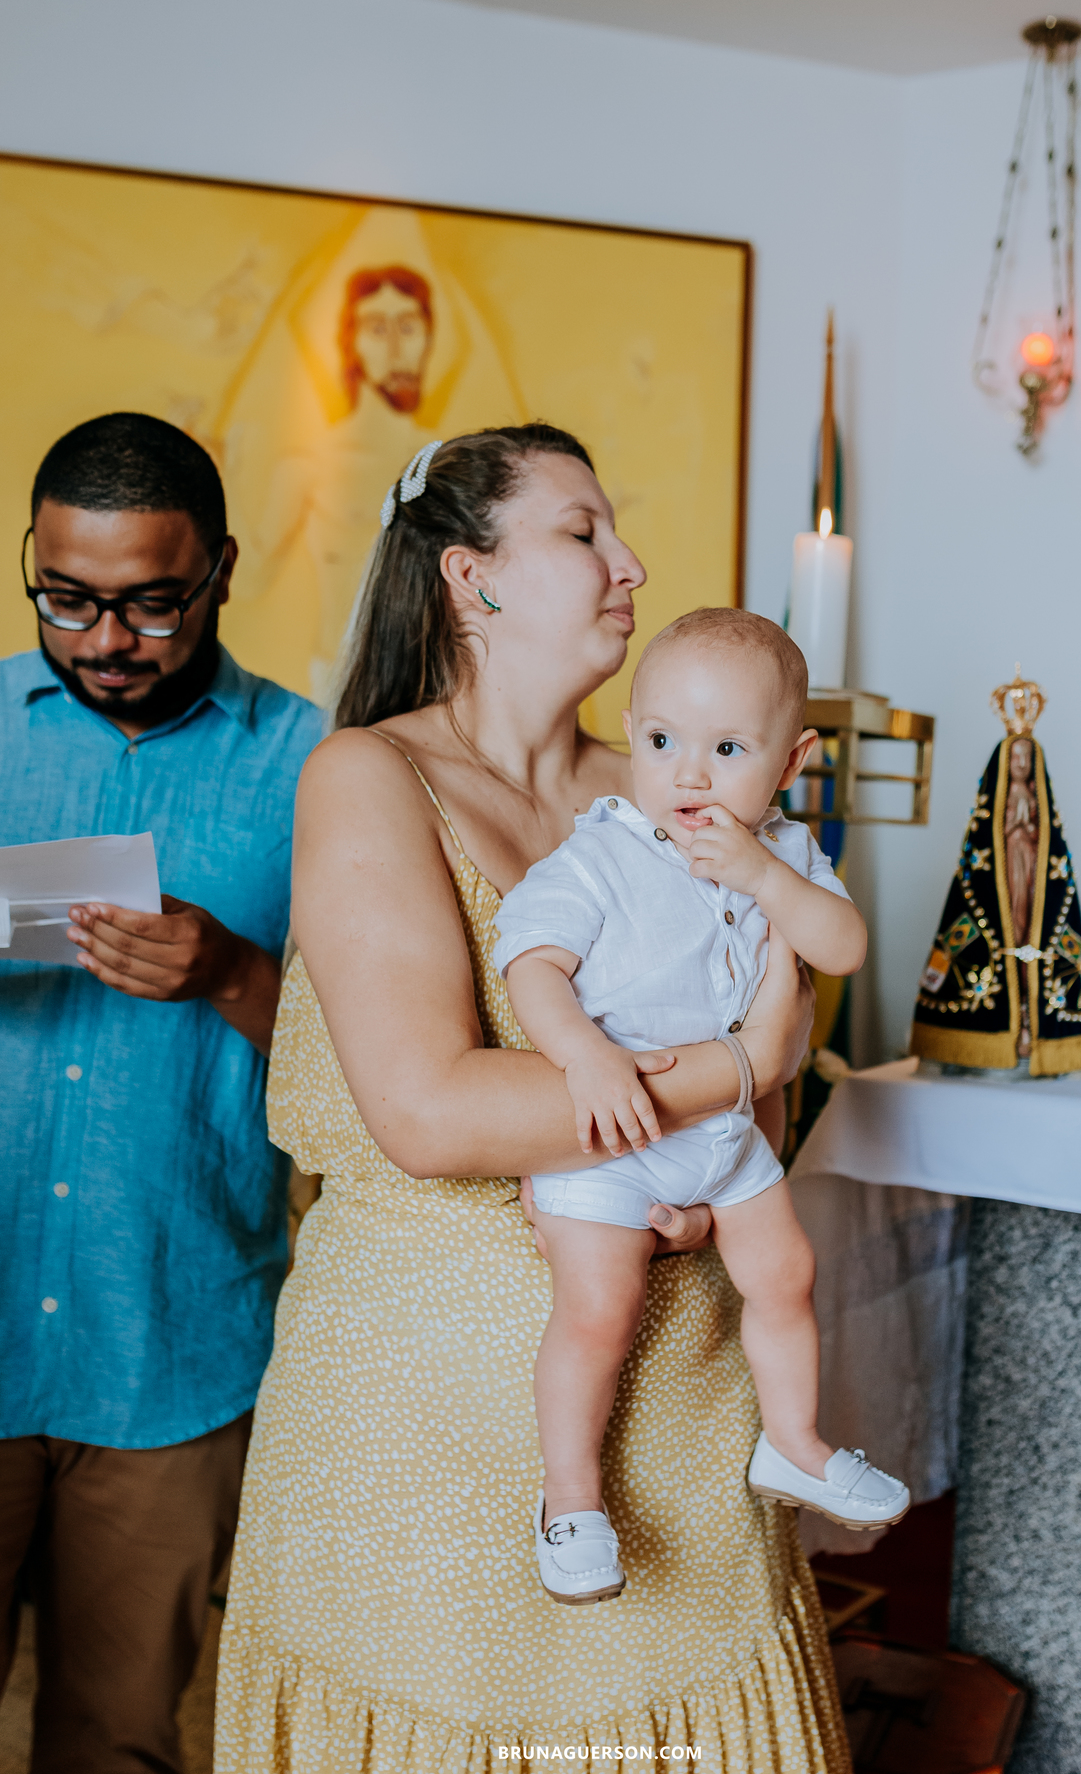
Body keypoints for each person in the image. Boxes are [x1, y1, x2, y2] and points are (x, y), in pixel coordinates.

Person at [215, 425, 852, 1770]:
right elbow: (432, 1109)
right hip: (419, 1430)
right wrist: (732, 1073)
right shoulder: (370, 777)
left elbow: (783, 1071)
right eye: (583, 533)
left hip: (681, 1408)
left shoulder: (676, 788)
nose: (630, 564)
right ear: (472, 579)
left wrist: (721, 1146)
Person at [0, 413, 323, 1772]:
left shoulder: (320, 767)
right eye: (64, 599)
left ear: (223, 570)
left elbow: (384, 1059)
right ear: (29, 558)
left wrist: (238, 971)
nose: (104, 641)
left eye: (148, 605)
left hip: (177, 1346)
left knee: (119, 1743)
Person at [496, 609, 909, 1604]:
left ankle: (796, 1444)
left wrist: (766, 876)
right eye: (662, 743)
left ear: (791, 759)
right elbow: (533, 965)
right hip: (612, 1138)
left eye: (727, 750)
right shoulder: (604, 853)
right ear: (630, 730)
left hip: (724, 1139)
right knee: (600, 1307)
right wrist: (585, 1056)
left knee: (787, 1272)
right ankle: (569, 1498)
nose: (690, 775)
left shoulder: (783, 850)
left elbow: (842, 947)